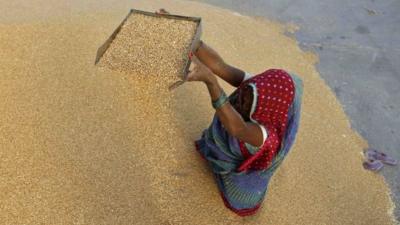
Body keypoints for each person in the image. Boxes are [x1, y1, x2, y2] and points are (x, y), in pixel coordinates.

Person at [187, 40, 303, 216]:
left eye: (248, 104)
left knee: (236, 194)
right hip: (238, 130)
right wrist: (192, 40)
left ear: (263, 114)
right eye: (245, 92)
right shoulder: (256, 87)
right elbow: (220, 66)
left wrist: (211, 81)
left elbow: (238, 129)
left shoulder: (264, 135)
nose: (240, 100)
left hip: (241, 186)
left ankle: (226, 174)